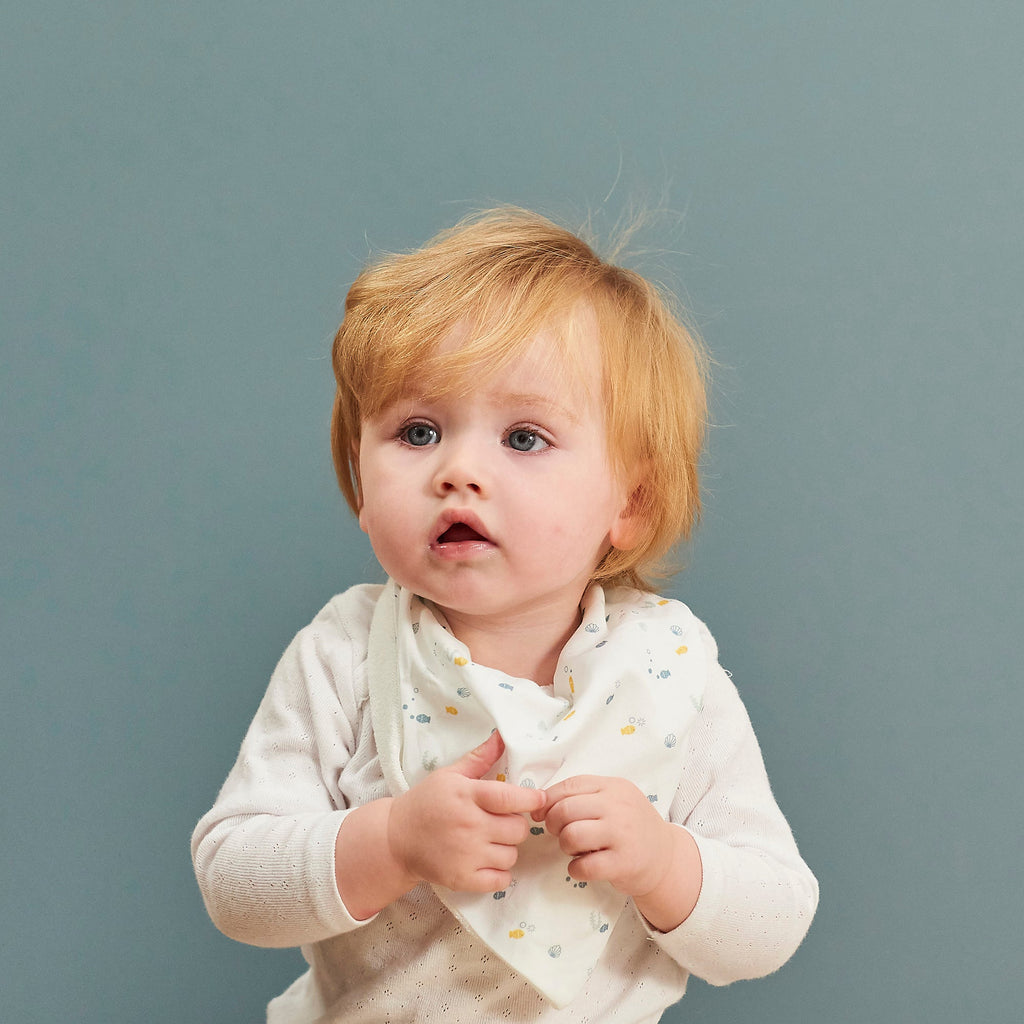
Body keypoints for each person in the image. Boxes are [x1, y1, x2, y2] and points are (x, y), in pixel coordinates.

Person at [191, 208, 818, 1023]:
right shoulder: (347, 652)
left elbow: (774, 918)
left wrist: (665, 863)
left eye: (524, 438)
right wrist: (390, 843)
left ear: (630, 502)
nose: (459, 471)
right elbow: (235, 882)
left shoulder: (670, 678)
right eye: (418, 431)